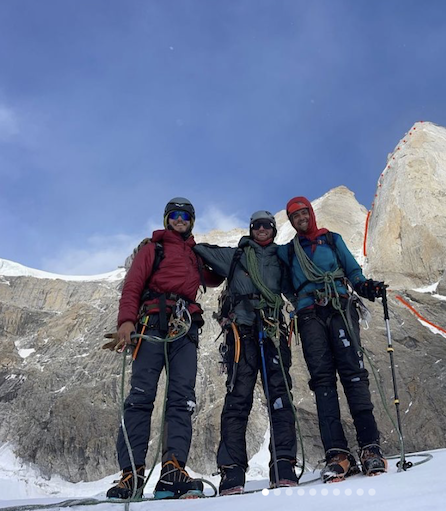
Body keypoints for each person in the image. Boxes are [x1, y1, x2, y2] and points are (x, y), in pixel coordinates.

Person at [106, 197, 222, 500]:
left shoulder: (196, 255)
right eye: (174, 215)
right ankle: (131, 475)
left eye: (185, 215)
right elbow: (133, 285)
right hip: (152, 323)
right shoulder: (153, 249)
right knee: (140, 397)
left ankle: (172, 470)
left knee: (182, 398)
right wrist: (126, 322)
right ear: (166, 219)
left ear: (192, 221)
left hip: (184, 327)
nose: (179, 219)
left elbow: (217, 275)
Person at [278, 196, 388, 483]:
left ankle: (370, 447)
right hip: (309, 316)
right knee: (322, 381)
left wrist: (365, 286)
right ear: (291, 221)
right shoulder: (289, 251)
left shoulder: (331, 239)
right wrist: (299, 302)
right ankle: (337, 454)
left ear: (310, 213)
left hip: (339, 307)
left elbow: (352, 270)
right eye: (295, 216)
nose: (301, 218)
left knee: (353, 375)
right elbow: (283, 281)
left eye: (304, 213)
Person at [194, 210, 298, 495]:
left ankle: (283, 464)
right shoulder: (236, 256)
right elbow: (201, 250)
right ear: (251, 229)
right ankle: (232, 470)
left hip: (272, 330)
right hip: (241, 332)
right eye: (257, 226)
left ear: (273, 229)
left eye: (266, 225)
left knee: (280, 396)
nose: (262, 229)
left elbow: (294, 286)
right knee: (238, 398)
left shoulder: (281, 257)